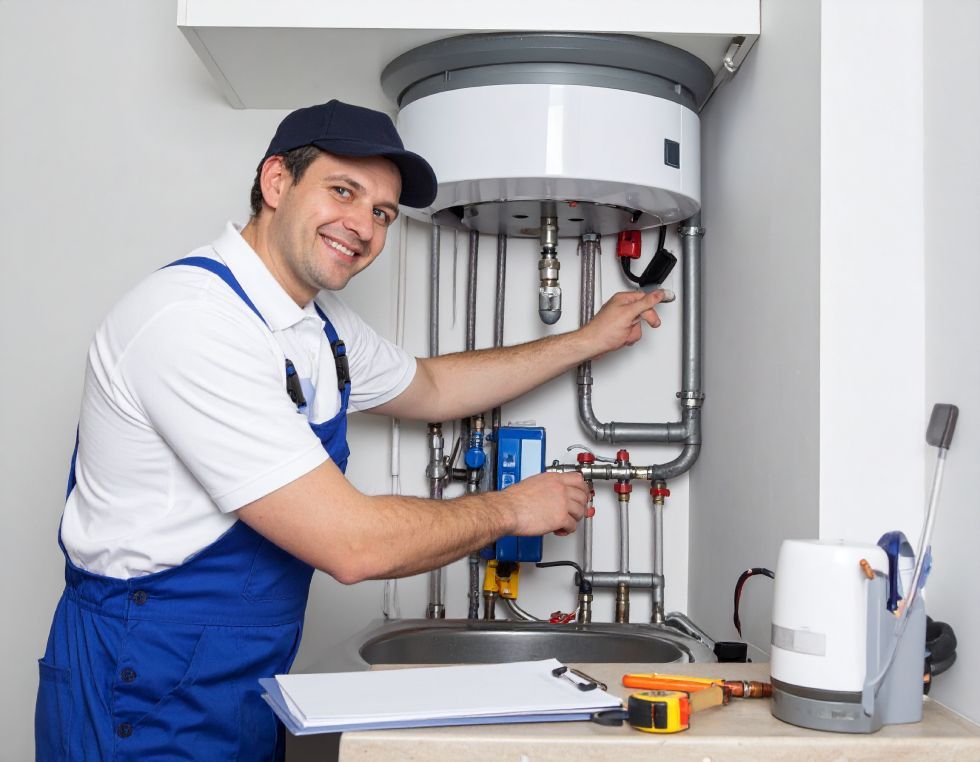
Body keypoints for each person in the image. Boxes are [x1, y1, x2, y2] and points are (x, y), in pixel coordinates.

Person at [35, 100, 669, 761]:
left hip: (239, 684)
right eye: (344, 191)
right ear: (276, 182)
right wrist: (513, 507)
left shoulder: (317, 325)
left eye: (383, 213)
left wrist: (585, 340)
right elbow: (352, 545)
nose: (363, 226)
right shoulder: (191, 324)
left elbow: (432, 388)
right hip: (139, 684)